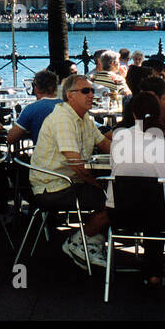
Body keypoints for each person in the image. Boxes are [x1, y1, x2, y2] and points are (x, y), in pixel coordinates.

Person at [107, 88, 165, 286]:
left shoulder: (118, 137)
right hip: (159, 214)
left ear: (133, 114)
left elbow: (115, 168)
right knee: (159, 207)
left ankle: (149, 270)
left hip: (120, 212)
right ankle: (155, 271)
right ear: (159, 113)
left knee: (149, 205)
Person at [30, 74, 112, 267]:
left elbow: (105, 144)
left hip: (70, 182)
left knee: (116, 193)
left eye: (93, 90)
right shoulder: (63, 119)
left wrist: (136, 155)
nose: (91, 95)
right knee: (115, 200)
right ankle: (78, 242)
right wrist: (98, 184)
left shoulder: (84, 118)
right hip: (53, 187)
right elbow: (78, 166)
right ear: (70, 95)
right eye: (86, 91)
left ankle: (89, 242)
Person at [7, 69, 61, 145]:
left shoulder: (31, 109)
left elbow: (11, 139)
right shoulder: (68, 107)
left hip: (43, 154)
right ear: (56, 87)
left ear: (36, 88)